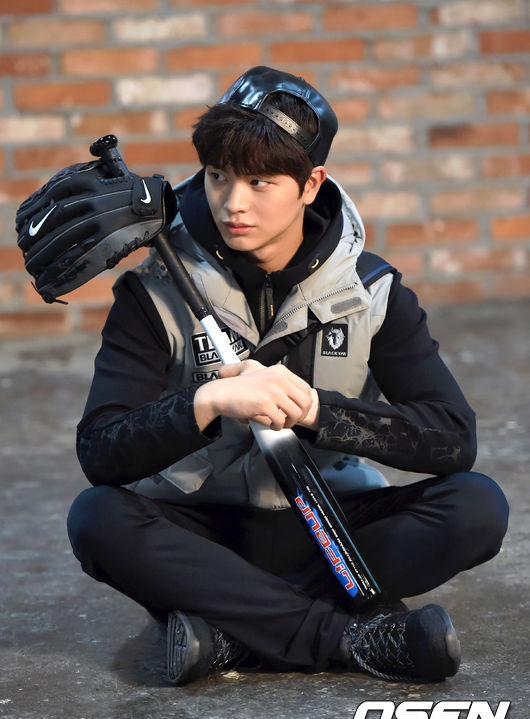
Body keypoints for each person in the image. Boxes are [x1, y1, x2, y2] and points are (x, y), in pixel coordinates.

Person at [30, 67, 510, 684]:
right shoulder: (154, 291)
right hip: (204, 533)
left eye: (260, 182)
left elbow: (452, 438)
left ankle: (232, 631)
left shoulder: (372, 290)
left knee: (476, 507)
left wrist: (316, 411)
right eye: (218, 176)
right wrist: (207, 402)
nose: (234, 203)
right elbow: (101, 450)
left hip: (332, 526)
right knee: (97, 519)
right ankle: (349, 639)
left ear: (311, 184)